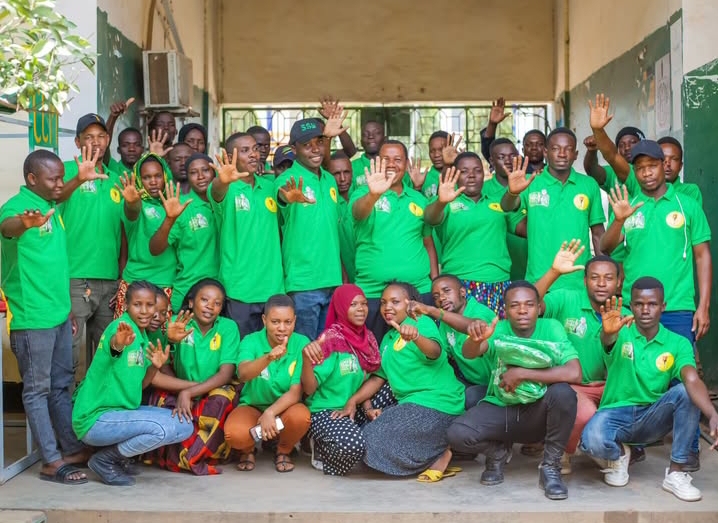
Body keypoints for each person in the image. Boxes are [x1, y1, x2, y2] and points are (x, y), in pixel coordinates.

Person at [580, 278, 718, 501]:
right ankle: (620, 455)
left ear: (663, 306)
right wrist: (608, 334)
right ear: (631, 306)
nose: (645, 310)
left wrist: (712, 414)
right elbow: (608, 340)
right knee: (591, 441)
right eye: (639, 304)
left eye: (652, 304)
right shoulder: (619, 330)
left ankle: (676, 473)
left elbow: (691, 378)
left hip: (654, 415)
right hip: (616, 414)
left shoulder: (678, 343)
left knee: (686, 392)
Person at [0, 150, 90, 485]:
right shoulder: (16, 209)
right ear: (32, 179)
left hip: (58, 314)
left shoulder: (51, 205)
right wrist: (23, 224)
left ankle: (71, 449)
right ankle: (51, 461)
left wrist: (68, 309)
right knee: (37, 390)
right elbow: (7, 228)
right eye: (53, 178)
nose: (59, 184)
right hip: (32, 318)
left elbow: (56, 261)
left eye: (61, 177)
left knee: (62, 384)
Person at [447, 281, 581, 500]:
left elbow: (574, 372)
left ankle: (550, 467)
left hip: (538, 412)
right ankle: (497, 453)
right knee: (457, 434)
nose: (522, 310)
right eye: (515, 305)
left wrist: (522, 373)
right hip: (503, 407)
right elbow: (470, 353)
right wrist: (475, 340)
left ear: (538, 307)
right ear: (506, 310)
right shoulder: (499, 329)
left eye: (529, 304)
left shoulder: (552, 327)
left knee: (564, 394)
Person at [337, 282, 464, 481]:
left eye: (395, 302)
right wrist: (353, 400)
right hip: (410, 405)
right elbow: (378, 377)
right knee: (361, 440)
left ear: (410, 304)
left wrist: (416, 337)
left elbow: (435, 352)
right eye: (383, 302)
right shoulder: (389, 338)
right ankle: (434, 450)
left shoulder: (421, 322)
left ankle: (439, 454)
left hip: (438, 403)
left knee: (369, 441)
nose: (387, 307)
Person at [72, 280, 194, 486]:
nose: (144, 311)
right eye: (138, 304)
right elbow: (114, 349)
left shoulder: (143, 337)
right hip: (96, 419)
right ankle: (106, 459)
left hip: (120, 414)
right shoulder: (121, 329)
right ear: (126, 305)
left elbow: (142, 384)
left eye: (150, 305)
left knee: (184, 425)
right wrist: (118, 343)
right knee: (162, 429)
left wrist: (155, 366)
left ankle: (115, 456)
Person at [599, 140, 711, 345]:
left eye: (652, 166)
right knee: (632, 364)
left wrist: (703, 306)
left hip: (677, 307)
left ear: (662, 164)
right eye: (640, 168)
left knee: (679, 364)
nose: (646, 173)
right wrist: (619, 220)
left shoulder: (688, 206)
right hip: (634, 308)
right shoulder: (629, 206)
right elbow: (605, 248)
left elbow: (702, 257)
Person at [534, 241, 633, 472]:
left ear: (619, 282)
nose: (601, 283)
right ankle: (564, 451)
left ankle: (602, 447)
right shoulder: (566, 299)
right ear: (584, 280)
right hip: (573, 387)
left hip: (611, 389)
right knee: (584, 413)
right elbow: (530, 303)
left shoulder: (627, 315)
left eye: (608, 278)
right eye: (594, 277)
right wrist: (554, 272)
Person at [146, 279, 242, 475]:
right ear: (191, 302)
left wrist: (189, 392)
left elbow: (225, 374)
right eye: (204, 300)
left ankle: (193, 456)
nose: (210, 306)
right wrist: (183, 390)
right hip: (180, 385)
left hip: (214, 387)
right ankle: (174, 453)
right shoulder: (176, 322)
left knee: (222, 399)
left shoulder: (228, 327)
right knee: (159, 398)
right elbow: (163, 364)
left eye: (217, 303)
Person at [350, 141, 439, 340]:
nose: (391, 164)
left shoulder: (419, 199)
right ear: (377, 162)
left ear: (406, 164)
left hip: (418, 291)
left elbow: (427, 242)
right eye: (386, 159)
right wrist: (373, 195)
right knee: (375, 353)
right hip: (373, 294)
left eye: (397, 159)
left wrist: (434, 282)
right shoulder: (363, 194)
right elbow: (358, 213)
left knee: (420, 351)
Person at [500, 128, 605, 290]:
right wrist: (512, 192)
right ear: (545, 152)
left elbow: (598, 233)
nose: (562, 154)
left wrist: (603, 270)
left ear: (576, 154)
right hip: (539, 280)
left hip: (578, 281)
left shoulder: (589, 184)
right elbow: (507, 206)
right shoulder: (531, 181)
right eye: (556, 149)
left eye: (568, 149)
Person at [59, 114, 124, 371]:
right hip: (75, 278)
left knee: (110, 355)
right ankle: (65, 399)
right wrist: (78, 179)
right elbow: (53, 199)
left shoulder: (117, 179)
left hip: (110, 281)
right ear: (77, 142)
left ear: (108, 140)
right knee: (68, 352)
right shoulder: (65, 170)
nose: (95, 142)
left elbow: (124, 230)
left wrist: (121, 275)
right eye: (88, 137)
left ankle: (99, 398)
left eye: (100, 136)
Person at [425, 152, 523, 317]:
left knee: (495, 332)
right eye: (464, 171)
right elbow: (430, 218)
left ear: (484, 174)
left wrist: (512, 193)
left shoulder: (497, 201)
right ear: (455, 175)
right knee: (463, 332)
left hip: (498, 282)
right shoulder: (446, 202)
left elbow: (513, 210)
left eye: (477, 170)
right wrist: (441, 202)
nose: (471, 175)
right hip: (459, 284)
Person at [224, 295, 311, 473]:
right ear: (264, 320)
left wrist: (270, 413)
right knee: (235, 435)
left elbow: (295, 392)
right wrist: (268, 358)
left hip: (284, 409)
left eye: (288, 322)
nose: (282, 328)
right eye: (275, 322)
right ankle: (248, 450)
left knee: (301, 417)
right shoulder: (251, 340)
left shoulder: (301, 343)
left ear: (295, 321)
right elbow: (243, 374)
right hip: (253, 406)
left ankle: (283, 450)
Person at [301, 284, 381, 475]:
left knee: (389, 394)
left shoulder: (368, 338)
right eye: (353, 305)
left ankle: (358, 436)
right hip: (327, 411)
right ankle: (320, 446)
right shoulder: (330, 340)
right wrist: (306, 361)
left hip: (353, 407)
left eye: (364, 304)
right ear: (341, 308)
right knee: (353, 445)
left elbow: (366, 380)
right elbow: (309, 389)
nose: (361, 309)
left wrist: (367, 408)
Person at [210, 133, 284, 336]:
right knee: (241, 352)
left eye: (255, 149)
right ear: (230, 156)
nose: (253, 154)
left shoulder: (270, 187)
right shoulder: (226, 188)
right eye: (244, 150)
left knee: (273, 351)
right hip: (239, 291)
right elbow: (216, 192)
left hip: (273, 289)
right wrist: (221, 181)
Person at [274, 119, 342, 339]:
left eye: (319, 142)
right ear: (294, 149)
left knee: (326, 347)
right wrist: (286, 197)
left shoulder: (329, 179)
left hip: (332, 279)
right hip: (304, 283)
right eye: (306, 145)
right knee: (305, 349)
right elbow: (282, 196)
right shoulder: (287, 179)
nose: (315, 149)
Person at [407, 274, 496, 409]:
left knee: (470, 397)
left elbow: (477, 326)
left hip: (495, 384)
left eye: (446, 291)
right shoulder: (444, 324)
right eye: (436, 297)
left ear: (462, 292)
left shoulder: (478, 310)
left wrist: (432, 310)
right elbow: (443, 355)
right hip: (469, 381)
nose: (441, 298)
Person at [149, 153, 219, 311]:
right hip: (188, 291)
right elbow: (155, 248)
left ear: (214, 172)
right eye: (193, 173)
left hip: (221, 292)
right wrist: (169, 219)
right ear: (187, 177)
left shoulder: (226, 201)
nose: (200, 176)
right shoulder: (181, 205)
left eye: (205, 170)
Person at [114, 152, 175, 318]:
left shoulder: (174, 204)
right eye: (146, 177)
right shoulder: (136, 203)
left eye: (158, 176)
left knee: (162, 334)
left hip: (165, 282)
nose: (153, 182)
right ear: (139, 180)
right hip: (136, 282)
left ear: (165, 176)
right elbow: (132, 212)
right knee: (128, 333)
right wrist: (132, 202)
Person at [487, 138, 528, 281]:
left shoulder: (532, 182)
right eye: (502, 157)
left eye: (512, 156)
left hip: (531, 265)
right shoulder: (482, 190)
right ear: (492, 161)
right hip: (496, 271)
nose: (508, 161)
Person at [480, 97, 546, 175]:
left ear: (546, 149)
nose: (534, 148)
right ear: (522, 149)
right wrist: (492, 124)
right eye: (529, 145)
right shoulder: (513, 166)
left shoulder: (552, 170)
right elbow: (489, 149)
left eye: (539, 144)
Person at [328, 151, 356, 282]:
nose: (343, 178)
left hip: (367, 276)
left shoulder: (362, 199)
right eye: (336, 174)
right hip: (339, 278)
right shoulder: (327, 204)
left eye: (347, 172)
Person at [657, 136, 703, 205]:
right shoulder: (644, 191)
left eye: (674, 159)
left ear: (680, 166)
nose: (668, 163)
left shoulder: (690, 191)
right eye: (662, 158)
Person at [351, 120, 385, 190]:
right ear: (361, 141)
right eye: (365, 134)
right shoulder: (351, 167)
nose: (371, 136)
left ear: (385, 139)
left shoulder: (393, 165)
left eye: (376, 133)